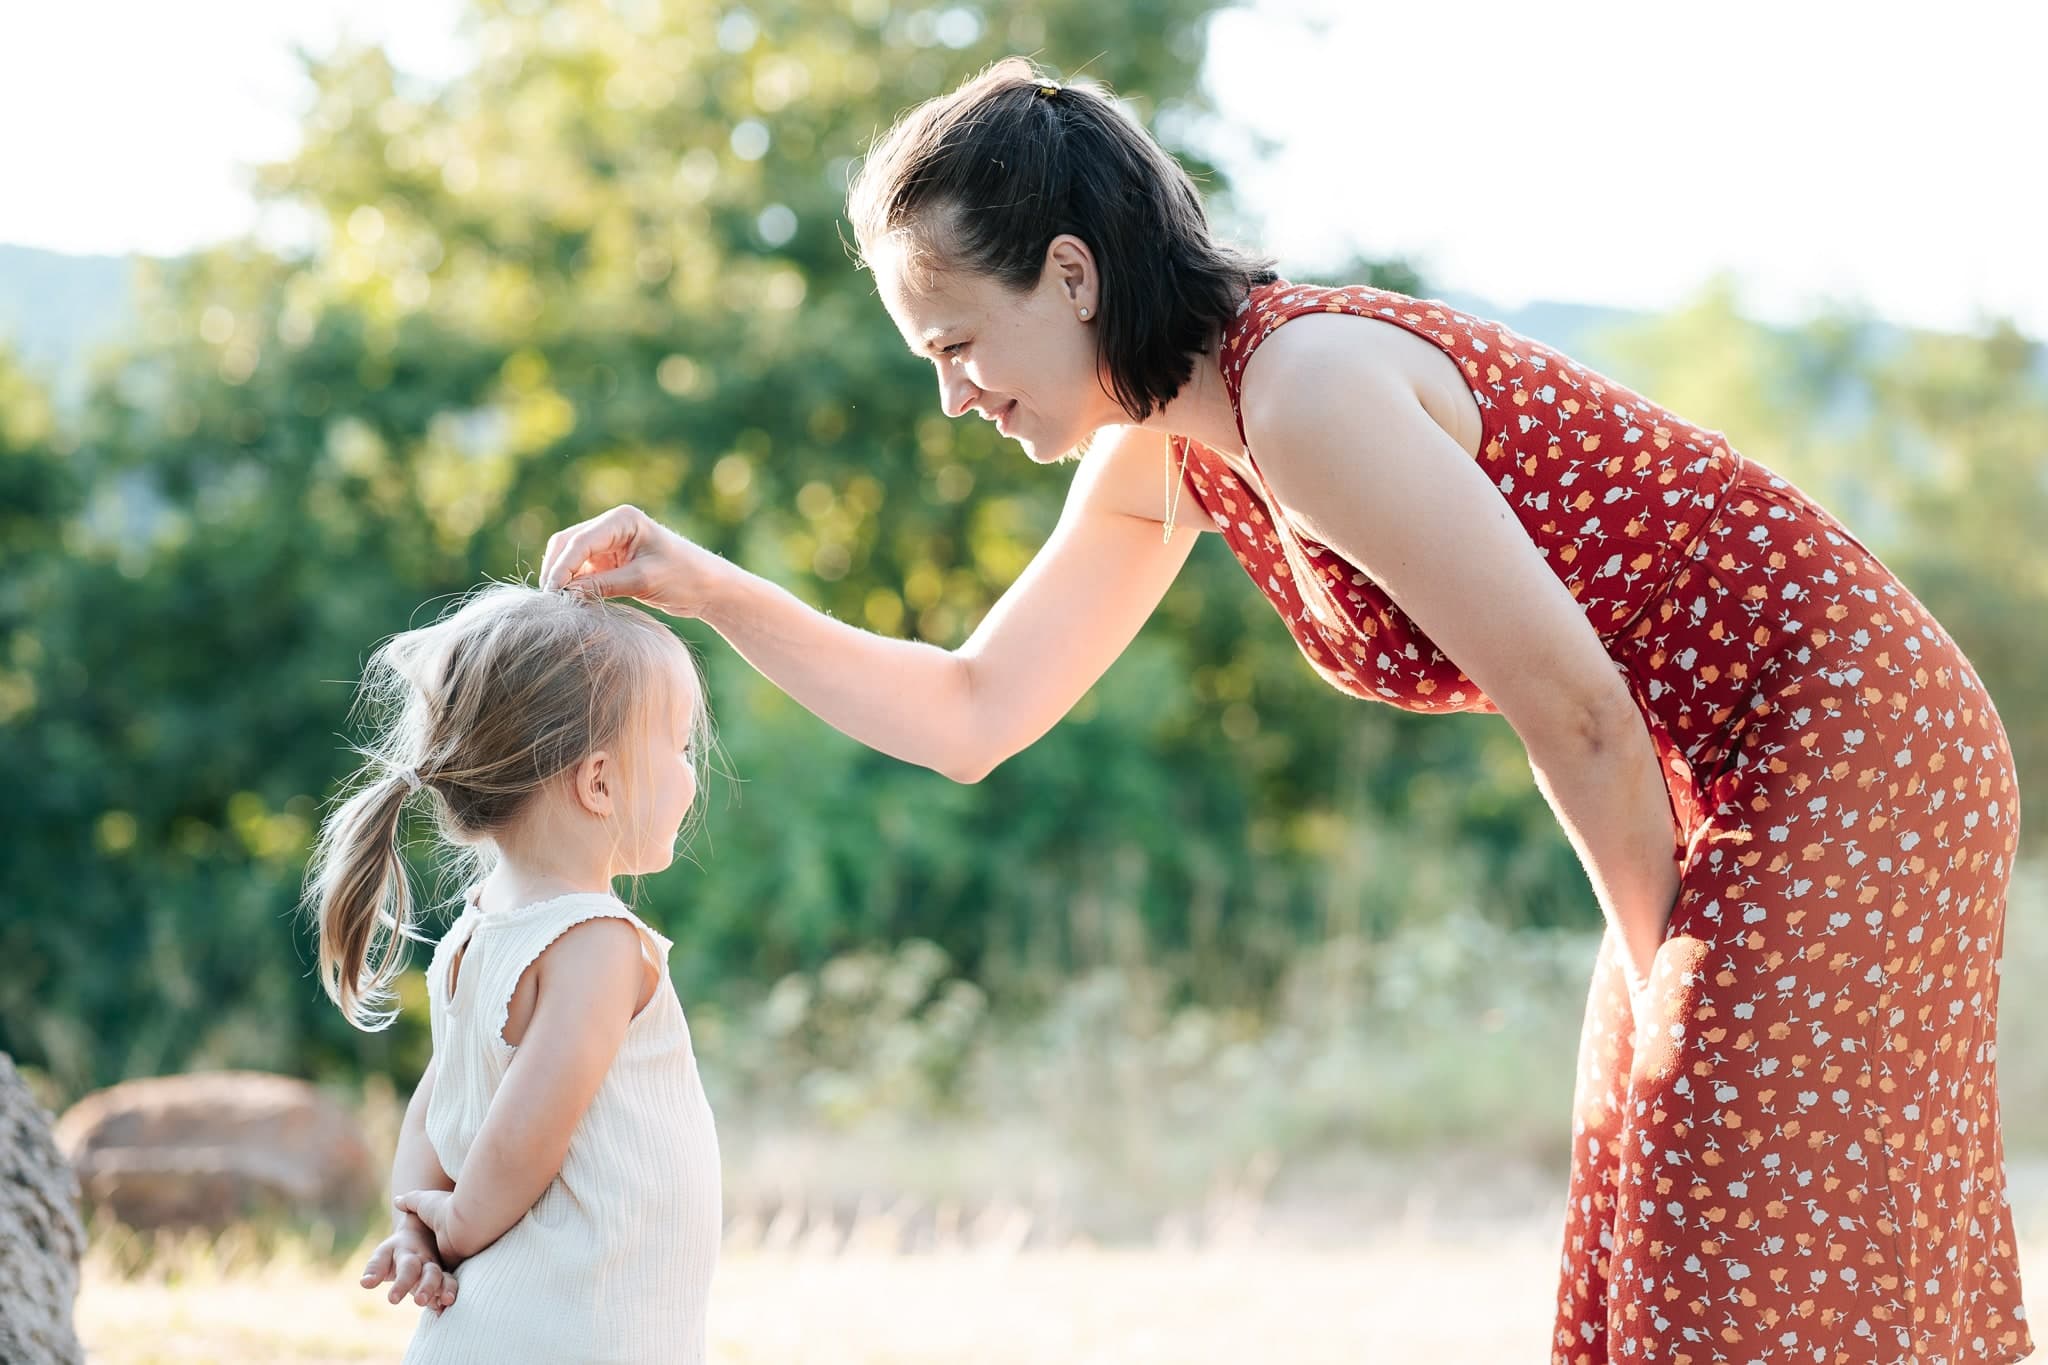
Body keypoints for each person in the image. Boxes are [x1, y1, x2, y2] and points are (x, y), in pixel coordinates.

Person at [540, 58, 2030, 1365]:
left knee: (1733, 1210)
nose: (953, 396)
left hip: (1850, 737)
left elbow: (1577, 714)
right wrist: (710, 589)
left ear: (1071, 276)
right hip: (1716, 772)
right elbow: (974, 711)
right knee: (1678, 1212)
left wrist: (1660, 989)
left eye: (957, 345)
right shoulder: (1167, 451)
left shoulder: (1305, 388)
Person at [304, 583, 722, 1364]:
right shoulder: (596, 944)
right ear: (599, 782)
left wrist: (412, 1221)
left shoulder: (480, 928)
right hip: (572, 1325)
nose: (690, 772)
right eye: (679, 747)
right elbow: (527, 1136)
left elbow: (436, 1102)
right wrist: (455, 1227)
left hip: (503, 1326)